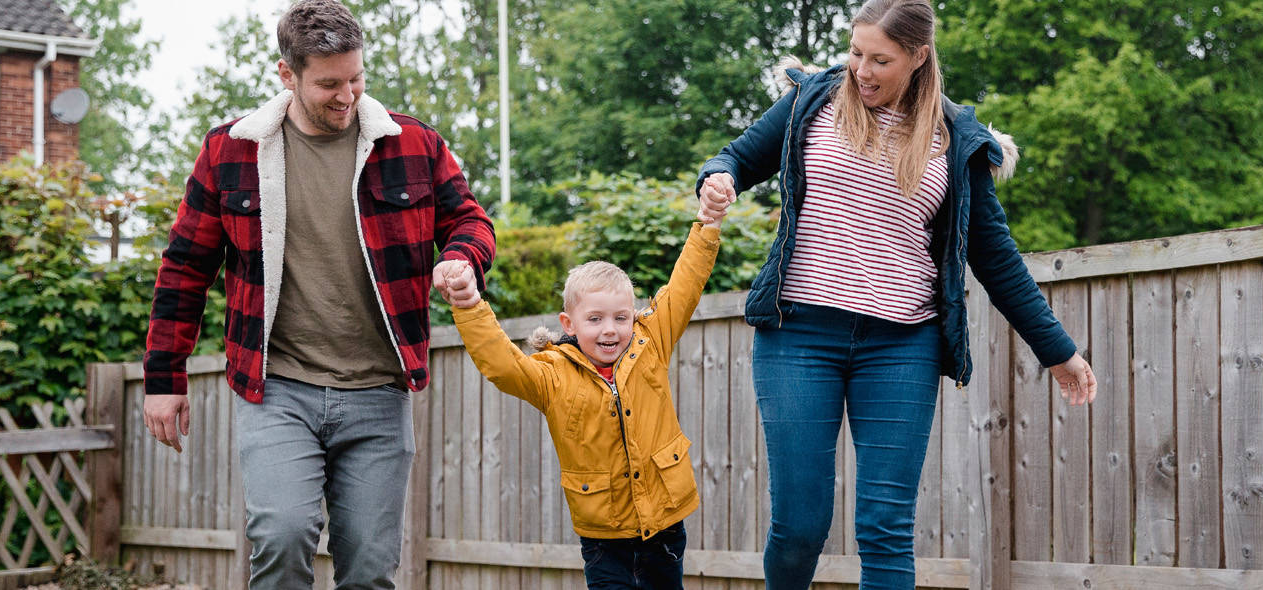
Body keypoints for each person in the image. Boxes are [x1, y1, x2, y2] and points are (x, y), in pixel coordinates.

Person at [693, 0, 1097, 587]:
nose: (862, 70)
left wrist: (1058, 350)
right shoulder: (814, 102)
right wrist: (718, 178)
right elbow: (733, 156)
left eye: (880, 59)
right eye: (856, 53)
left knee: (885, 526)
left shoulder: (955, 140)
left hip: (902, 346)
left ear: (918, 58)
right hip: (799, 335)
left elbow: (998, 259)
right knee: (801, 525)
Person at [138, 1, 495, 587]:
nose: (346, 96)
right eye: (328, 83)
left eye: (356, 78)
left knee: (370, 572)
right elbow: (184, 269)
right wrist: (162, 379)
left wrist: (460, 257)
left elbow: (471, 222)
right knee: (280, 537)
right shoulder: (231, 152)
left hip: (380, 392)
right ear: (288, 75)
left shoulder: (412, 144)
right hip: (277, 388)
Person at [434, 195, 732, 589]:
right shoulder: (552, 375)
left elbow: (686, 284)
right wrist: (470, 305)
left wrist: (708, 224)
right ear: (568, 323)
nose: (610, 329)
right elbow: (503, 366)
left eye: (620, 318)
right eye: (595, 319)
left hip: (664, 525)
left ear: (633, 316)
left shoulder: (652, 340)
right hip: (605, 539)